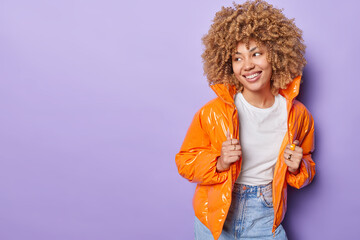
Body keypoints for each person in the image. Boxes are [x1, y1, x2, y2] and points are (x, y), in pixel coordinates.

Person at [175, 0, 315, 239]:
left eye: (256, 54)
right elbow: (185, 161)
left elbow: (306, 169)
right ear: (228, 65)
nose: (247, 65)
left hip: (266, 214)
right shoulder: (213, 112)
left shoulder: (298, 115)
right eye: (237, 58)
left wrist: (298, 167)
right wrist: (218, 162)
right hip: (216, 216)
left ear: (276, 55)